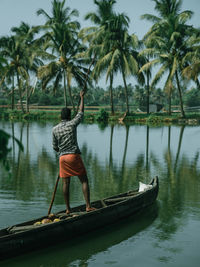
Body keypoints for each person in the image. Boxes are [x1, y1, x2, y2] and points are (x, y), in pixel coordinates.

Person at [52, 90, 95, 214]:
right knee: (84, 180)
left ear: (60, 117)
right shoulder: (72, 124)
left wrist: (61, 150)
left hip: (62, 158)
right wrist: (82, 97)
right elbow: (81, 113)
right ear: (69, 117)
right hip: (73, 156)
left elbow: (55, 147)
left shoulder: (54, 129)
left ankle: (67, 209)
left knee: (66, 183)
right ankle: (88, 206)